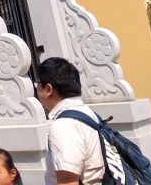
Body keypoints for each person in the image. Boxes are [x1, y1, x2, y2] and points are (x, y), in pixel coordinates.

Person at [34, 57, 103, 185]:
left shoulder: (64, 126)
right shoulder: (89, 114)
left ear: (48, 89)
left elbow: (68, 182)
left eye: (37, 85)